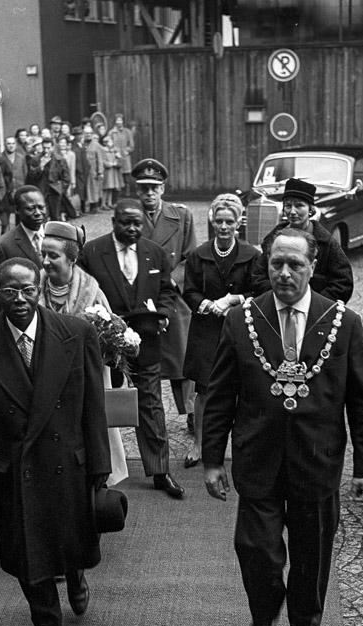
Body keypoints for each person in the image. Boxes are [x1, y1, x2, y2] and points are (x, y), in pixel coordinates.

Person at [202, 227, 363, 626]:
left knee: (311, 553)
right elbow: (220, 394)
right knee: (256, 550)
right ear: (266, 265)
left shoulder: (344, 323)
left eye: (294, 264)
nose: (284, 273)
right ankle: (262, 620)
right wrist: (211, 460)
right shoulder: (241, 320)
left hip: (316, 461)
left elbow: (362, 400)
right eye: (276, 263)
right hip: (257, 458)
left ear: (312, 267)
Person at [0, 257, 110, 626]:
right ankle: (47, 623)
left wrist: (100, 468)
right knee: (26, 551)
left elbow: (94, 407)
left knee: (71, 538)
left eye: (28, 290)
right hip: (13, 465)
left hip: (66, 459)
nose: (20, 299)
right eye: (10, 291)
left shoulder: (77, 334)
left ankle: (75, 574)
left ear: (41, 290)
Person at [80, 199, 184, 498]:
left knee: (150, 404)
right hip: (103, 344)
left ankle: (160, 470)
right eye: (126, 222)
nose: (132, 228)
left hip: (146, 343)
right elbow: (85, 291)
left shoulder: (155, 253)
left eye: (137, 223)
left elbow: (166, 290)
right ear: (113, 222)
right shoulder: (93, 252)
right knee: (100, 403)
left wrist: (162, 314)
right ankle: (100, 471)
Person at [39, 220, 128, 485]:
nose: (44, 261)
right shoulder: (33, 289)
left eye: (52, 255)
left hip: (83, 383)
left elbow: (111, 340)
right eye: (42, 253)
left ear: (72, 259)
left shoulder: (92, 293)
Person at [182, 194, 258, 468]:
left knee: (242, 390)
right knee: (204, 390)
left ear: (239, 222)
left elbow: (259, 290)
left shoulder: (252, 256)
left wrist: (234, 299)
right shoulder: (198, 255)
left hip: (240, 331)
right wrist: (206, 304)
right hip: (206, 330)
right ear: (212, 221)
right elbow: (188, 289)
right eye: (219, 221)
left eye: (230, 221)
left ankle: (241, 446)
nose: (224, 227)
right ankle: (198, 443)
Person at [133, 158, 198, 431]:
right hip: (141, 299)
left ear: (163, 188)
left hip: (173, 297)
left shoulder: (181, 216)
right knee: (147, 362)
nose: (149, 193)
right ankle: (151, 418)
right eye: (144, 188)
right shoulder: (129, 216)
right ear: (137, 190)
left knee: (182, 361)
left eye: (154, 187)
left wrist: (170, 281)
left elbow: (190, 257)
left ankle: (194, 414)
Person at [251, 178, 353, 303]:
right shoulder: (273, 240)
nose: (292, 212)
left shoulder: (326, 242)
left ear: (310, 209)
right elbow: (257, 277)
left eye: (299, 205)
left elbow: (343, 282)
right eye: (288, 206)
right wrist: (281, 298)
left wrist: (314, 304)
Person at [0, 185, 46, 269]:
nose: (38, 213)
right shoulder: (3, 246)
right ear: (17, 210)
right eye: (30, 209)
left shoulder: (58, 235)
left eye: (41, 207)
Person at [0, 135, 30, 232]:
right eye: (8, 143)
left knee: (20, 215)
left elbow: (25, 172)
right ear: (5, 145)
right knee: (6, 219)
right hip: (6, 192)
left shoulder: (21, 157)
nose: (11, 146)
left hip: (19, 189)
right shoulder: (0, 158)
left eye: (13, 143)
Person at [38, 139, 70, 223]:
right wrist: (40, 167)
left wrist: (61, 190)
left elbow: (66, 178)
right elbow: (31, 176)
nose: (46, 150)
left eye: (48, 148)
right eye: (44, 148)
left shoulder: (59, 160)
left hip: (55, 192)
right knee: (42, 217)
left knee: (56, 217)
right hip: (42, 191)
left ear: (53, 147)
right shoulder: (37, 159)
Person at [109, 113, 135, 196]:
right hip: (115, 158)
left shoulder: (127, 132)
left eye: (120, 120)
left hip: (125, 158)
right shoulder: (112, 132)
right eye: (117, 120)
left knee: (126, 177)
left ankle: (127, 194)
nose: (119, 122)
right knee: (116, 177)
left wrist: (126, 151)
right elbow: (108, 144)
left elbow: (131, 145)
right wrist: (114, 152)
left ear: (123, 121)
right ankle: (117, 196)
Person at [83, 125, 104, 214]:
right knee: (86, 189)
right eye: (86, 133)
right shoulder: (82, 144)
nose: (88, 135)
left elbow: (100, 159)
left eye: (90, 133)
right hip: (84, 171)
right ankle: (87, 207)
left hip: (93, 171)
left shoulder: (96, 145)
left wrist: (100, 171)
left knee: (94, 189)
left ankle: (94, 207)